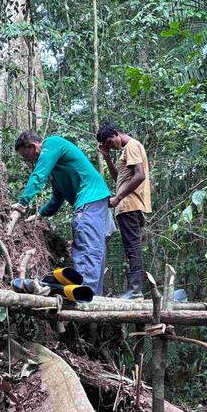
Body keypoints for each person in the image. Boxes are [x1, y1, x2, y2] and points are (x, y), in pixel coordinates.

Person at [11, 131, 113, 296]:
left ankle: (87, 293)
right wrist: (40, 214)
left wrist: (22, 203)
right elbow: (57, 198)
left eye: (26, 154)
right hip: (96, 202)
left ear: (33, 145)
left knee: (88, 246)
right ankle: (93, 294)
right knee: (94, 248)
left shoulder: (52, 143)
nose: (27, 159)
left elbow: (38, 175)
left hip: (90, 200)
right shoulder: (56, 170)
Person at [97, 122, 152, 300]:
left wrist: (119, 198)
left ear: (115, 133)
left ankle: (135, 290)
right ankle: (133, 289)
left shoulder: (132, 145)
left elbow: (140, 175)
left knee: (133, 247)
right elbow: (118, 179)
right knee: (130, 248)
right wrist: (106, 158)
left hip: (130, 205)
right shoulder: (124, 151)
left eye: (109, 142)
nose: (111, 147)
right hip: (125, 207)